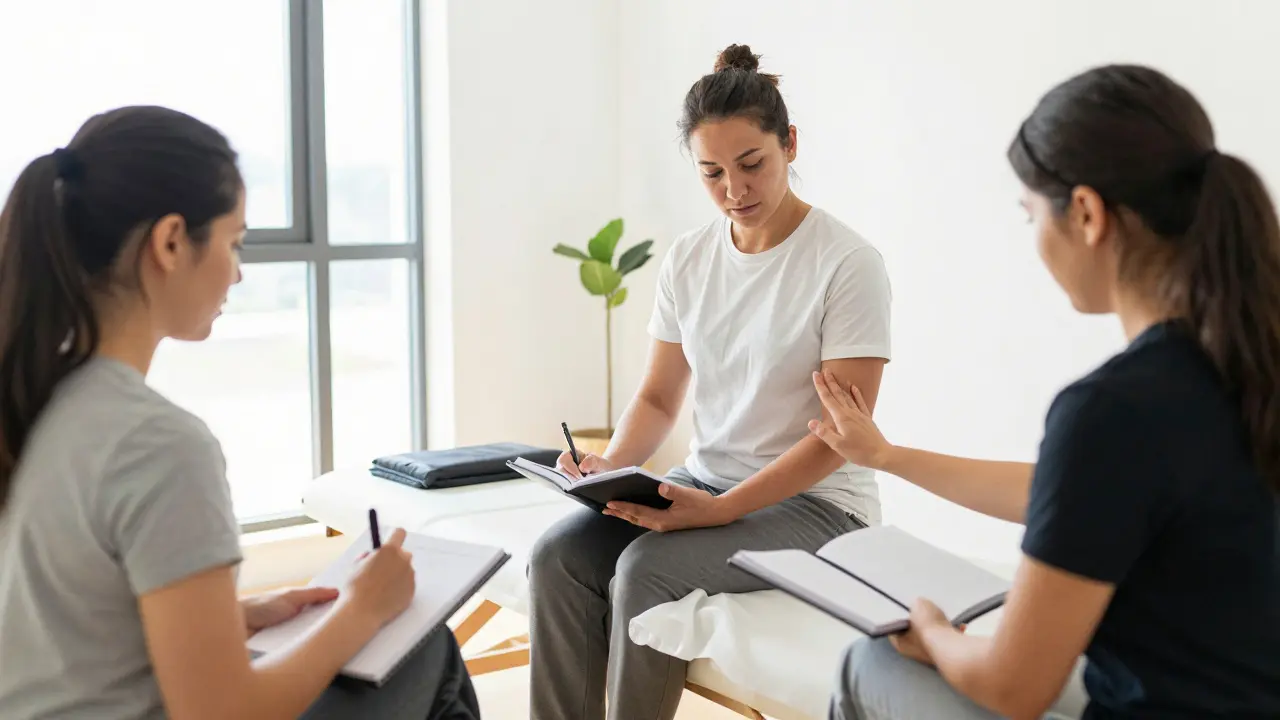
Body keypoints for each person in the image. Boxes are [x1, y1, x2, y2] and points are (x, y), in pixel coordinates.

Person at [810, 64, 1280, 720]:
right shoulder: (1245, 365)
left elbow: (1013, 686)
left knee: (870, 662)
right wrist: (886, 456)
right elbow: (1073, 493)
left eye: (1030, 214)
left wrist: (937, 636)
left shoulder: (1117, 409)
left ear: (1086, 213)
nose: (1032, 239)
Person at [0, 106, 480, 719]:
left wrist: (228, 618)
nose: (239, 271)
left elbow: (59, 617)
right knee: (425, 646)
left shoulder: (30, 399)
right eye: (233, 242)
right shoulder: (157, 445)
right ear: (171, 242)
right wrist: (363, 608)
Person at [527, 44, 893, 720]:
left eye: (751, 164)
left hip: (820, 509)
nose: (734, 190)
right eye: (711, 173)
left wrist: (724, 511)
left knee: (646, 570)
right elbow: (660, 396)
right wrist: (611, 468)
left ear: (789, 143)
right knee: (559, 556)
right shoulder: (691, 258)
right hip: (709, 483)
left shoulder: (846, 264)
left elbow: (842, 439)